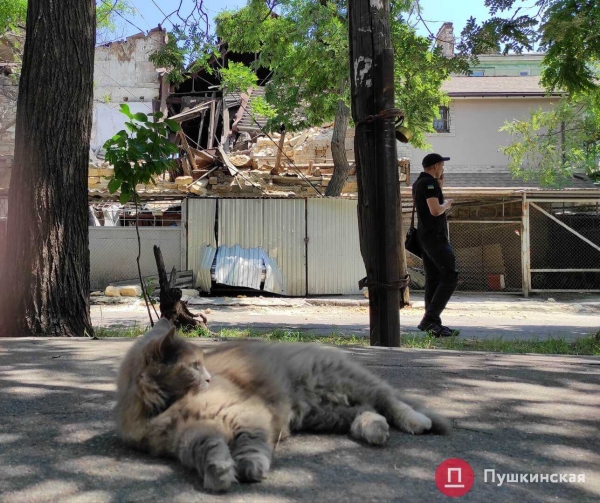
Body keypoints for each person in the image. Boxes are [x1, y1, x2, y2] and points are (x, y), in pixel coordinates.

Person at [412, 153, 459, 337]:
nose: (443, 168)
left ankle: (433, 323)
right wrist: (447, 204)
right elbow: (435, 210)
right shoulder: (429, 184)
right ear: (436, 166)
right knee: (450, 275)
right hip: (435, 237)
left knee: (434, 278)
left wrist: (440, 187)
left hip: (424, 237)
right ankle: (430, 319)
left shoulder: (419, 183)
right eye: (441, 165)